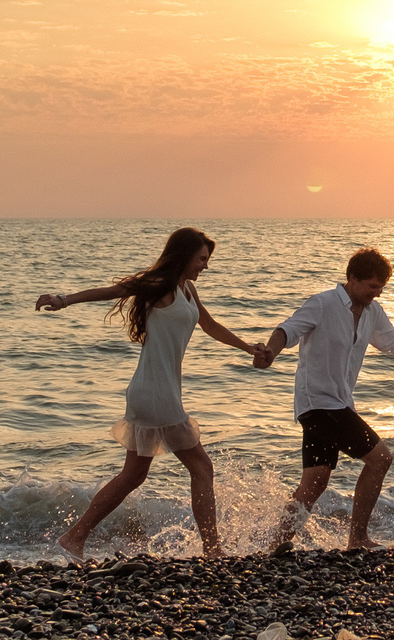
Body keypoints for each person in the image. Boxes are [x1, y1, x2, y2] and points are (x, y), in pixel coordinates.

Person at [36, 227, 257, 561]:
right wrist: (64, 300)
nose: (205, 266)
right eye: (201, 259)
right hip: (156, 395)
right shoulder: (160, 286)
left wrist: (248, 348)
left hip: (154, 391)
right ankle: (213, 550)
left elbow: (210, 326)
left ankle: (74, 537)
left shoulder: (187, 289)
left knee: (133, 475)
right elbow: (114, 291)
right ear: (184, 256)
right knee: (201, 468)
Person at [254, 246, 394, 551]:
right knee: (380, 459)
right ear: (352, 278)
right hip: (319, 403)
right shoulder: (323, 304)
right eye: (372, 286)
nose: (376, 293)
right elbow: (288, 329)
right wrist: (271, 352)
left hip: (338, 403)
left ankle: (275, 544)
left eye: (381, 287)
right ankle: (358, 539)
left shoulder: (372, 313)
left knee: (315, 481)